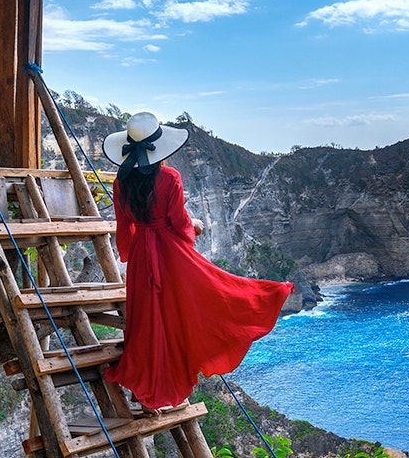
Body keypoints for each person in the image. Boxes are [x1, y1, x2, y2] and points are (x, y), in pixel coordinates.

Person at [100, 112, 293, 412]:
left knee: (146, 321)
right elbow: (179, 224)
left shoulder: (120, 183)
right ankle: (270, 295)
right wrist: (195, 228)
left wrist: (130, 254)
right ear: (158, 149)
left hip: (141, 256)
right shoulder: (169, 178)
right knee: (196, 305)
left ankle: (143, 390)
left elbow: (125, 230)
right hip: (169, 253)